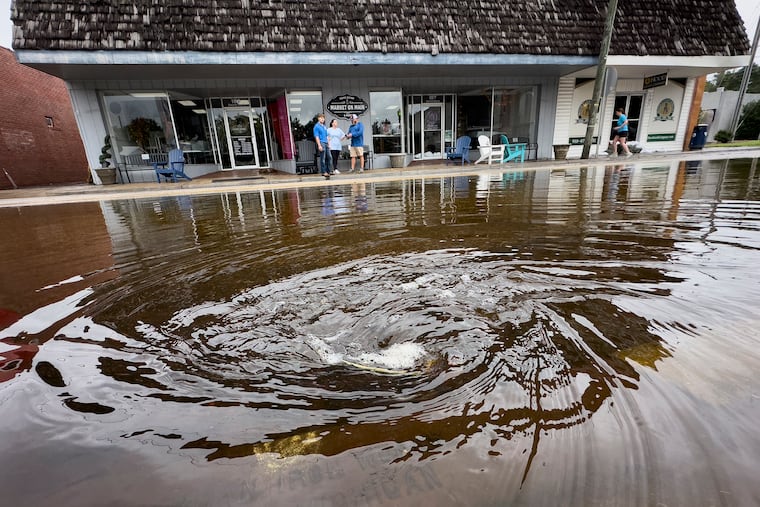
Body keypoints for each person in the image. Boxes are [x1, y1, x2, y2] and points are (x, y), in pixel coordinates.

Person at [313, 113, 332, 178]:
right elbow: (317, 136)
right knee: (323, 158)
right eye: (321, 118)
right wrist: (319, 145)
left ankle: (329, 171)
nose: (322, 119)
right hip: (321, 143)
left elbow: (327, 136)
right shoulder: (316, 126)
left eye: (323, 118)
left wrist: (329, 144)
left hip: (326, 143)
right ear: (318, 118)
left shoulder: (324, 126)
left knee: (329, 157)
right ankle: (324, 172)